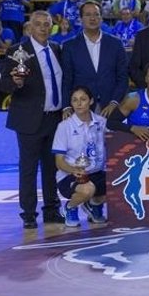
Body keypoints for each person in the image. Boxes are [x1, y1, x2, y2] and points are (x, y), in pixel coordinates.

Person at [0, 11, 64, 229]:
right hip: (28, 119)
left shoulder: (56, 49)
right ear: (29, 28)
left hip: (54, 119)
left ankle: (52, 210)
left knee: (51, 167)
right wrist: (15, 83)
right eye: (39, 25)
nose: (44, 28)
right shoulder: (16, 51)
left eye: (47, 24)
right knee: (28, 168)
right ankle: (28, 213)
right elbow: (3, 85)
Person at [61, 0, 129, 120]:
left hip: (111, 108)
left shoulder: (116, 44)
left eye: (96, 14)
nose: (92, 18)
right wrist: (66, 106)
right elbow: (67, 80)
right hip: (81, 109)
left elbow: (122, 77)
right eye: (88, 15)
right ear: (81, 19)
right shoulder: (69, 46)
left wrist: (114, 102)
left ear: (101, 18)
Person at [52, 86, 108, 227]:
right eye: (75, 100)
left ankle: (94, 205)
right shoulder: (64, 126)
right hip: (71, 175)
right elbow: (59, 162)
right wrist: (73, 170)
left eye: (83, 99)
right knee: (87, 189)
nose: (79, 103)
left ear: (91, 101)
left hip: (97, 172)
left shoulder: (102, 122)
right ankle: (71, 207)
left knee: (119, 185)